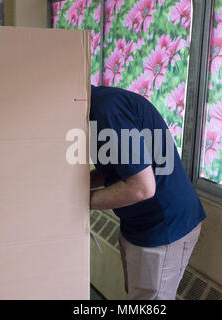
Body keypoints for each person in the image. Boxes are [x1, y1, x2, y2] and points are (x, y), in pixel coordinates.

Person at [89, 85, 206, 300]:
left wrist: (80, 201)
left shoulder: (107, 111)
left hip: (164, 226)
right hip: (139, 223)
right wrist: (79, 184)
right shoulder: (97, 108)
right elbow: (119, 167)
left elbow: (141, 187)